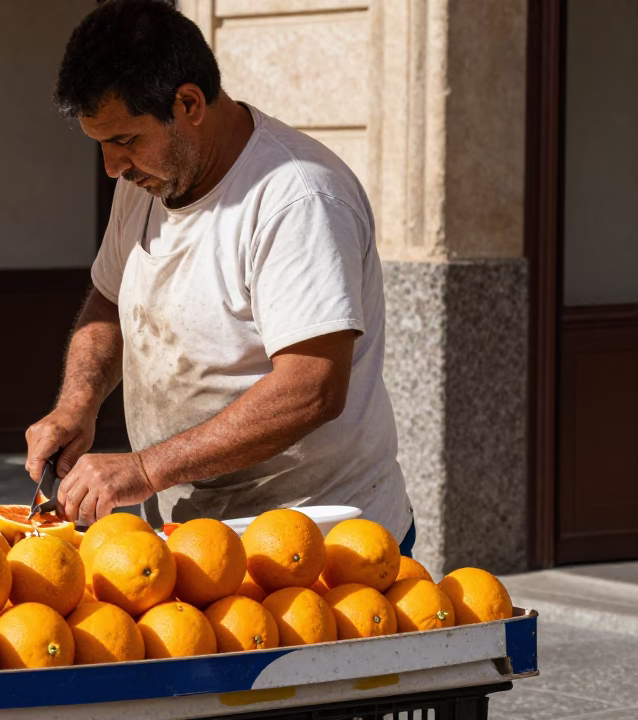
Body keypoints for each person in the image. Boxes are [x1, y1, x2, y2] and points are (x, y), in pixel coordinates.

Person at [23, 0, 415, 554]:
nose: (111, 166)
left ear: (188, 103)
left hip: (322, 542)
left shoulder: (299, 198)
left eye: (126, 141)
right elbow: (110, 301)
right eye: (101, 144)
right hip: (197, 536)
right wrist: (76, 405)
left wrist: (146, 468)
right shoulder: (143, 183)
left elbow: (313, 388)